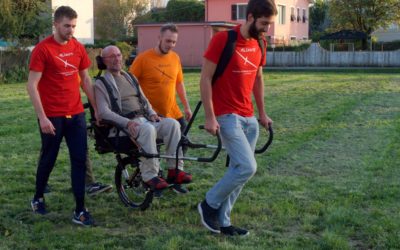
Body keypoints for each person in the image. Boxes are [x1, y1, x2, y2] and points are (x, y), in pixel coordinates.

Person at [197, 0, 276, 236]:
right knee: (247, 167)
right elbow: (205, 79)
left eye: (269, 24)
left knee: (238, 171)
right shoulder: (223, 39)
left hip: (249, 118)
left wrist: (262, 113)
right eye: (264, 23)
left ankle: (224, 221)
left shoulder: (260, 42)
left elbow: (258, 78)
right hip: (226, 115)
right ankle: (208, 204)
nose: (267, 29)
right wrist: (210, 117)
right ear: (250, 17)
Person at [27, 6, 97, 226]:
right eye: (67, 25)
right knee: (49, 158)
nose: (71, 30)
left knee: (79, 160)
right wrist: (42, 117)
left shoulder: (77, 47)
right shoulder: (43, 49)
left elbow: (86, 80)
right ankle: (38, 197)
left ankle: (80, 209)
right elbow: (32, 85)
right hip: (52, 116)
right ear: (56, 24)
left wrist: (95, 110)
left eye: (74, 26)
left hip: (76, 114)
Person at [94, 45, 192, 191]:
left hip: (144, 120)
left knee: (172, 124)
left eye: (119, 55)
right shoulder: (100, 83)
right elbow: (103, 112)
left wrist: (152, 113)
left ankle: (175, 170)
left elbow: (144, 100)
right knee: (147, 129)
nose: (117, 59)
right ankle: (150, 176)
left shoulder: (130, 77)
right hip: (122, 128)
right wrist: (126, 123)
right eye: (112, 56)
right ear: (103, 61)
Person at [129, 23, 192, 133]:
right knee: (155, 147)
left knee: (183, 140)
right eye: (168, 41)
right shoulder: (143, 59)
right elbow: (129, 84)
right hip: (152, 113)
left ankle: (173, 151)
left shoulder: (175, 58)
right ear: (159, 38)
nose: (171, 45)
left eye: (174, 42)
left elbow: (179, 83)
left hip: (173, 111)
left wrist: (187, 107)